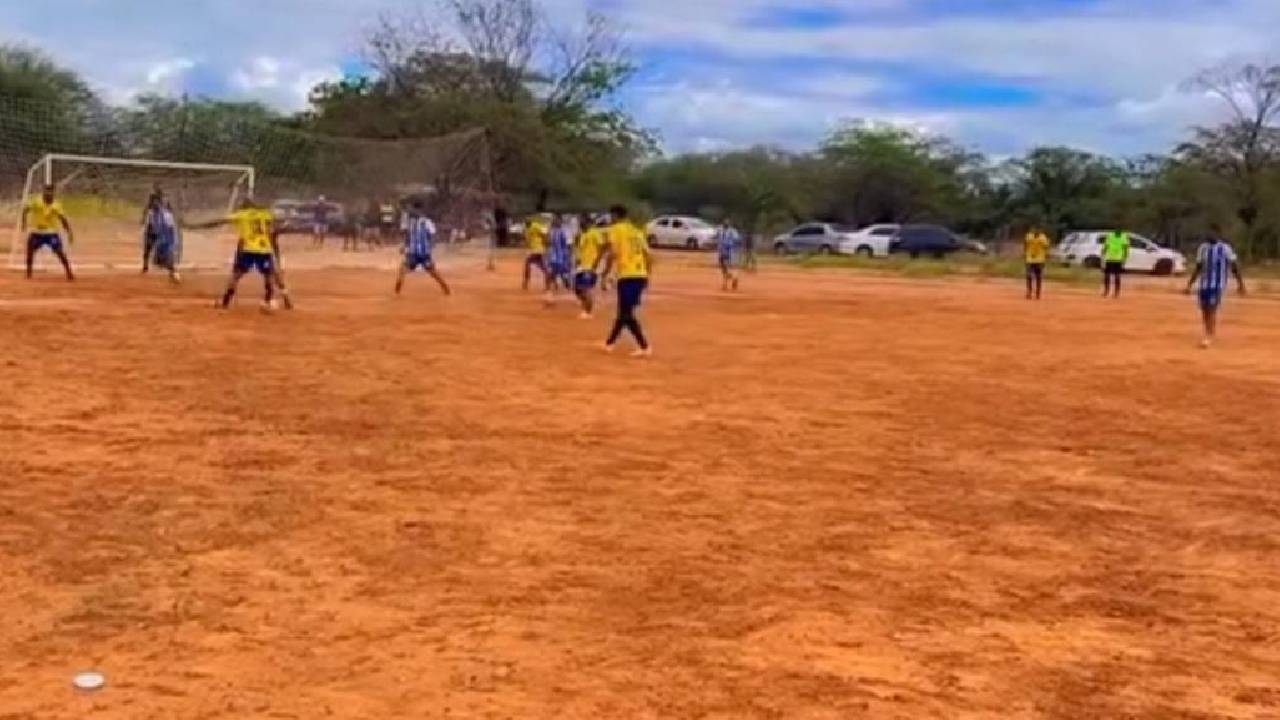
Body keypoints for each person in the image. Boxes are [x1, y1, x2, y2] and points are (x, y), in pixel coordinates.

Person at [186, 197, 290, 311]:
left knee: (236, 275)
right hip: (264, 249)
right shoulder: (264, 214)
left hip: (248, 249)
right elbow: (278, 224)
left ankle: (225, 302)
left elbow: (219, 221)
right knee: (269, 275)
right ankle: (270, 300)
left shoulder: (242, 215)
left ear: (243, 207)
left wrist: (195, 226)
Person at [597, 204, 652, 358]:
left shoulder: (616, 230)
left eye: (611, 216)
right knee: (624, 312)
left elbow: (612, 253)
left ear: (615, 215)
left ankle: (644, 346)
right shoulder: (636, 231)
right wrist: (647, 275)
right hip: (639, 274)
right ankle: (609, 343)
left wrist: (604, 274)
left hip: (627, 275)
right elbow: (648, 255)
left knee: (626, 314)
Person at [1184, 225, 1246, 349]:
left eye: (1212, 233)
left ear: (1218, 234)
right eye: (1208, 232)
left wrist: (1240, 284)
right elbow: (1198, 267)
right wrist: (1190, 284)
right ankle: (1208, 331)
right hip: (1204, 284)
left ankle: (1209, 335)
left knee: (1212, 308)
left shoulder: (1225, 248)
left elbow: (1234, 266)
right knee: (1204, 309)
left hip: (1217, 284)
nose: (1209, 235)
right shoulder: (1203, 248)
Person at [20, 184, 75, 281]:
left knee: (59, 252)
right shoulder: (37, 201)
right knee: (30, 252)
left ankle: (69, 272)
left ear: (53, 193)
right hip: (36, 232)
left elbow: (63, 219)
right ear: (43, 192)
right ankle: (28, 274)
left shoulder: (56, 205)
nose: (48, 193)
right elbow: (25, 210)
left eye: (50, 191)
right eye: (46, 191)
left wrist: (69, 232)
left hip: (50, 233)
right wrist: (24, 223)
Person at [395, 202, 451, 297]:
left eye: (413, 209)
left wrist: (431, 244)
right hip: (412, 253)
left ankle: (444, 286)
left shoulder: (427, 222)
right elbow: (407, 236)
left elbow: (432, 234)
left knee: (433, 272)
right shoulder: (409, 223)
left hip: (424, 253)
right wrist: (404, 245)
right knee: (403, 268)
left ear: (419, 210)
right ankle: (397, 290)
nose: (411, 211)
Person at [572, 213, 604, 319]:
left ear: (588, 222)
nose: (580, 223)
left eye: (582, 221)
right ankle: (586, 303)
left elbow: (601, 248)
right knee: (577, 289)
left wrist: (596, 263)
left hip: (590, 266)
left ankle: (588, 312)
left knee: (586, 288)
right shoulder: (582, 235)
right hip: (581, 266)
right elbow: (580, 250)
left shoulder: (594, 233)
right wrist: (577, 260)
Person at [148, 201, 183, 284]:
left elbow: (170, 229)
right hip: (161, 240)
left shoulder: (166, 215)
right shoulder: (153, 215)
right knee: (158, 261)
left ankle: (175, 274)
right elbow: (154, 229)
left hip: (166, 241)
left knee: (166, 260)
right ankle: (173, 273)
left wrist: (171, 242)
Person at [545, 213, 572, 301]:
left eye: (557, 219)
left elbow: (569, 245)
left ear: (560, 220)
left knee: (564, 277)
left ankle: (574, 291)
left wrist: (569, 257)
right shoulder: (551, 231)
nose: (555, 221)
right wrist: (547, 254)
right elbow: (548, 243)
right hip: (553, 256)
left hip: (562, 257)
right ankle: (548, 293)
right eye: (554, 219)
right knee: (549, 274)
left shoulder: (565, 231)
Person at [140, 185, 165, 273]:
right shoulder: (150, 208)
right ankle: (145, 265)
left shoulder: (161, 208)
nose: (155, 202)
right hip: (151, 229)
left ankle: (160, 262)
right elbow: (145, 214)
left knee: (159, 248)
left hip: (158, 229)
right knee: (147, 248)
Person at [523, 213, 549, 291]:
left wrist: (545, 243)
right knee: (543, 267)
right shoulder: (526, 229)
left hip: (538, 249)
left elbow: (544, 233)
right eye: (526, 220)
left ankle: (526, 282)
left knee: (528, 263)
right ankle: (548, 283)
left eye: (528, 219)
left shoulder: (535, 226)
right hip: (534, 250)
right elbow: (527, 240)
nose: (527, 221)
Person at [1023, 225, 1051, 300]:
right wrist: (1025, 254)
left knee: (1038, 277)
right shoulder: (1028, 236)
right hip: (1030, 259)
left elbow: (1046, 246)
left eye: (1037, 229)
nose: (1036, 231)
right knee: (1028, 276)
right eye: (1034, 229)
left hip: (1040, 260)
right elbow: (1025, 245)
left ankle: (1038, 293)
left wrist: (1046, 244)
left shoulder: (1043, 238)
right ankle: (1029, 291)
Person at [1102, 229, 1130, 298]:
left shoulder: (1111, 236)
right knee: (1112, 275)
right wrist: (1125, 257)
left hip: (1112, 258)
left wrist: (1103, 253)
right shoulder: (1122, 236)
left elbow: (1105, 246)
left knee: (1111, 275)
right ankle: (1113, 292)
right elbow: (1125, 248)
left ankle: (1109, 292)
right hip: (1114, 258)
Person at [715, 219, 741, 291]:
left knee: (726, 266)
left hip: (728, 251)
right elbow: (717, 237)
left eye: (726, 223)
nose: (725, 224)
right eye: (725, 223)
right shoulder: (720, 230)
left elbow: (737, 239)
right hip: (721, 250)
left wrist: (731, 244)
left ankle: (725, 284)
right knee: (723, 268)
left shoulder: (732, 231)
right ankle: (733, 278)